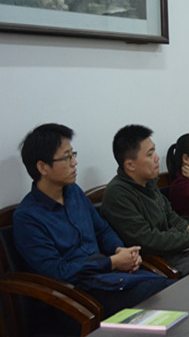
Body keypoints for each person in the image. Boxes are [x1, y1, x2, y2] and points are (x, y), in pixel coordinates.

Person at [13, 124, 170, 316]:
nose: (74, 162)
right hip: (75, 299)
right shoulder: (28, 218)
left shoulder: (74, 193)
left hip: (107, 280)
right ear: (42, 167)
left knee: (172, 288)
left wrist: (119, 250)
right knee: (162, 295)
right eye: (66, 157)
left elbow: (102, 230)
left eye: (73, 154)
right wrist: (111, 263)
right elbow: (58, 272)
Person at [102, 125, 189, 277]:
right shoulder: (118, 195)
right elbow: (148, 240)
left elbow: (172, 217)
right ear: (130, 165)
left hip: (181, 246)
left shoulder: (148, 183)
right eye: (150, 154)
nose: (157, 158)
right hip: (163, 259)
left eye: (154, 151)